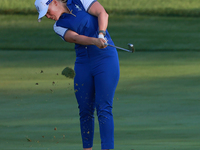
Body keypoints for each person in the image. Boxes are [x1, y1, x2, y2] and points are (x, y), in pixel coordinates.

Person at [34, 0, 120, 149]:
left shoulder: (80, 1)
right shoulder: (58, 26)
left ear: (54, 2)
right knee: (85, 110)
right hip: (83, 63)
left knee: (103, 108)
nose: (48, 16)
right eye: (44, 15)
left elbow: (102, 13)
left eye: (47, 11)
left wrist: (101, 34)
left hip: (105, 59)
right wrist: (95, 40)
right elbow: (75, 38)